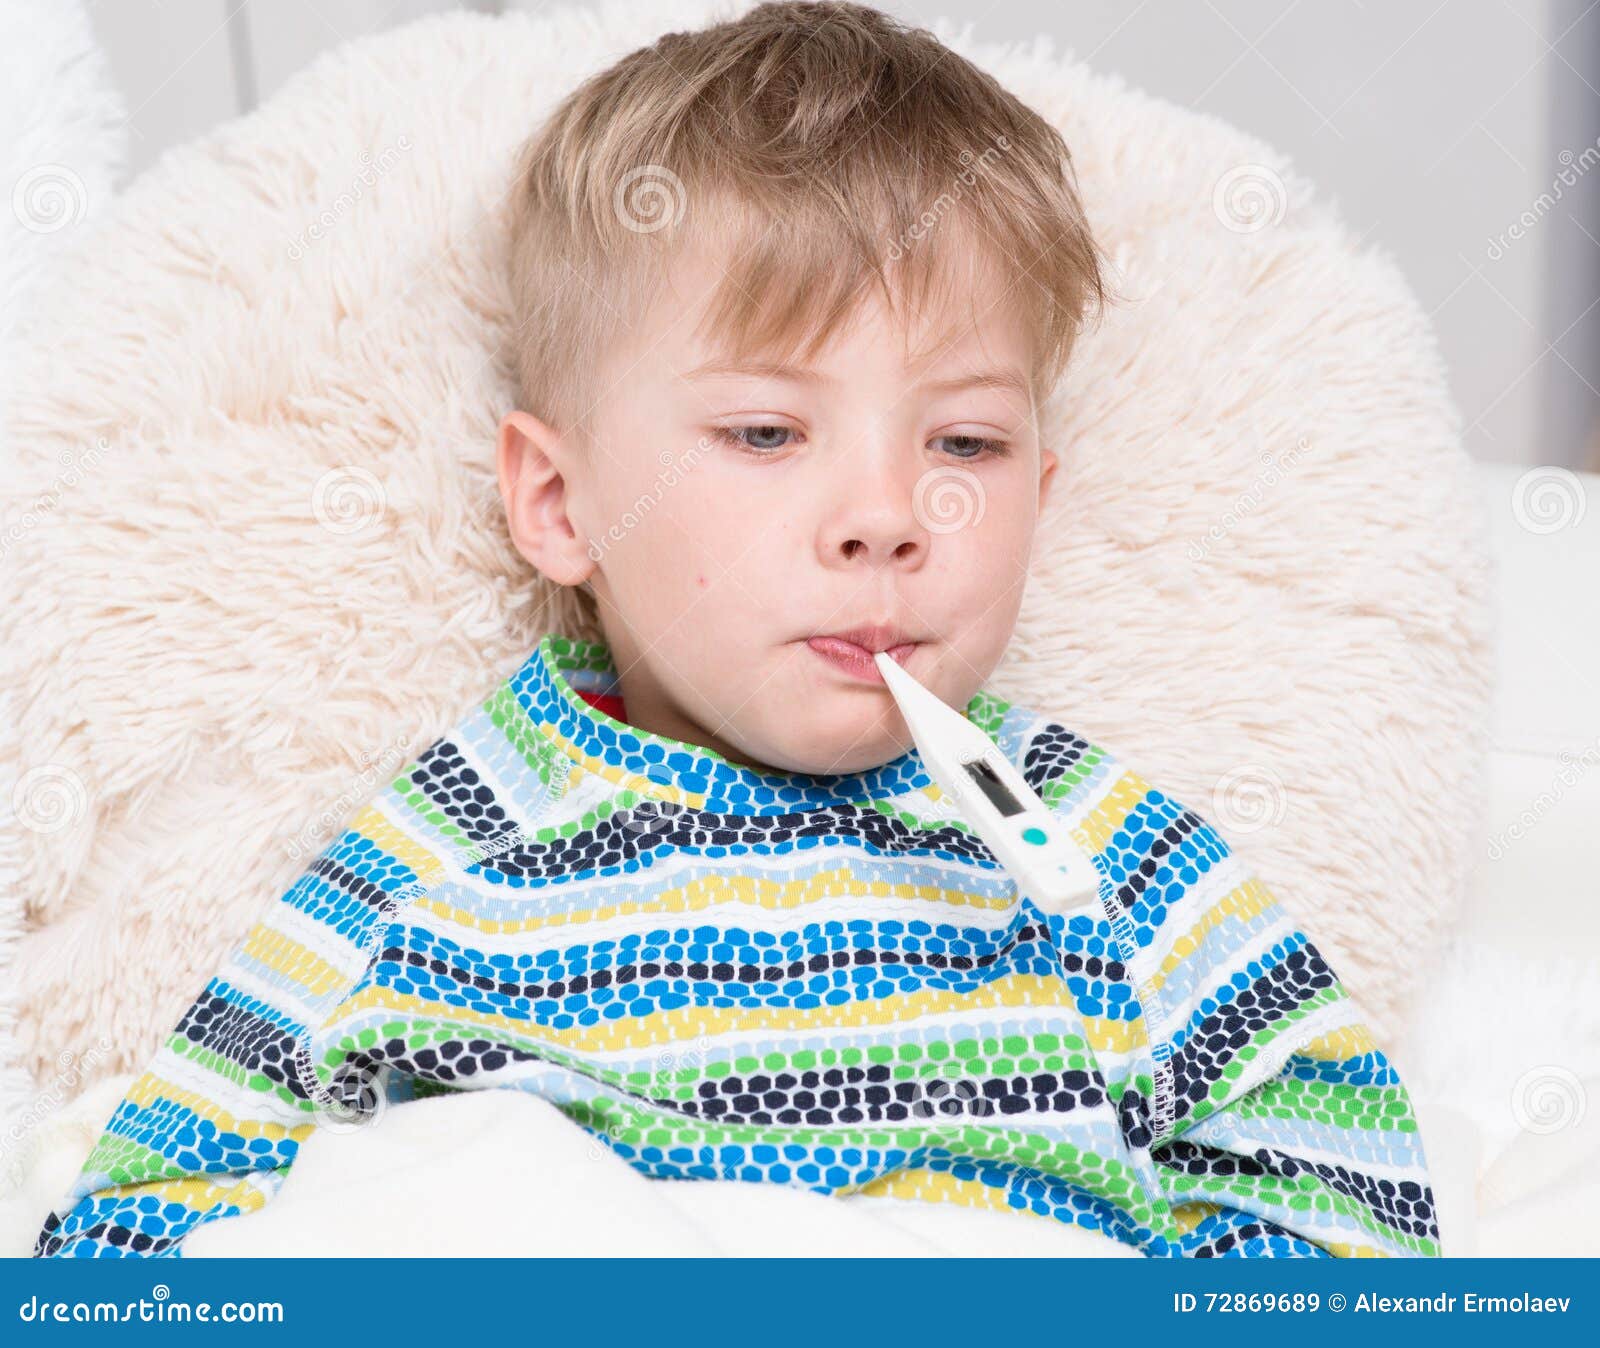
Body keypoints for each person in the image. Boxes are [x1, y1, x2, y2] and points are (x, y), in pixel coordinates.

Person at [36, 1, 1439, 1258]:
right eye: (766, 433)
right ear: (561, 504)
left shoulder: (1111, 864)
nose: (885, 517)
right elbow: (142, 1220)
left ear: (1040, 496)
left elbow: (1354, 1203)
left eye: (964, 444)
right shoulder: (442, 849)